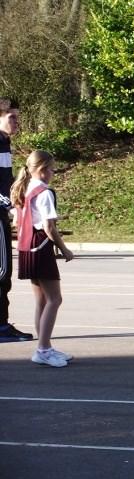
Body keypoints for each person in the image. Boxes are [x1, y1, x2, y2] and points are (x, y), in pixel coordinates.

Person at [10, 150, 74, 366]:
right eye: (52, 169)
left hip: (26, 247)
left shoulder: (23, 188)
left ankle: (44, 346)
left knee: (42, 301)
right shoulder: (45, 192)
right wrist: (64, 249)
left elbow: (18, 220)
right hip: (40, 245)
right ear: (43, 169)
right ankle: (43, 350)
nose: (54, 173)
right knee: (55, 299)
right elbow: (49, 227)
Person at [0, 99, 33, 342]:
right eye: (12, 117)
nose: (17, 122)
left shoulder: (4, 143)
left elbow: (6, 182)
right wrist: (11, 207)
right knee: (2, 272)